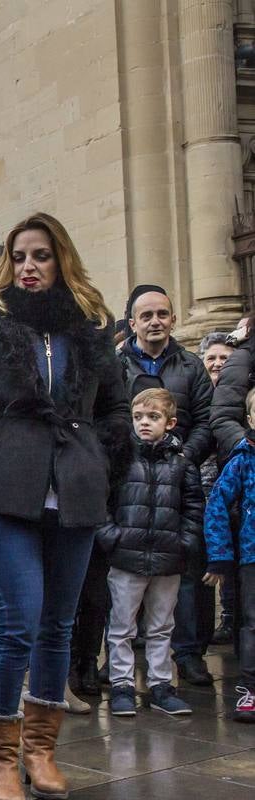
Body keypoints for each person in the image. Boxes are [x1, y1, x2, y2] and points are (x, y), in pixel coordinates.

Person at [0, 212, 129, 800]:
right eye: (19, 256)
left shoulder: (89, 325)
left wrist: (103, 460)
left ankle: (41, 751)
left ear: (60, 257)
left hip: (73, 488)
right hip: (4, 488)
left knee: (59, 626)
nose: (29, 266)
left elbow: (115, 410)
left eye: (40, 255)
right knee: (17, 620)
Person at [117, 285, 216, 689]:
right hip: (132, 479)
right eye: (147, 316)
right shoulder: (115, 364)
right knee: (126, 568)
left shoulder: (190, 366)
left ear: (173, 319)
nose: (155, 321)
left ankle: (189, 654)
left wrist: (184, 458)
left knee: (185, 567)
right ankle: (121, 658)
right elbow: (108, 415)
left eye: (162, 314)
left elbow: (209, 419)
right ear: (133, 322)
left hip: (179, 478)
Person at [98, 389, 202, 718]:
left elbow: (194, 507)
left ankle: (160, 685)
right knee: (121, 627)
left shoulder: (183, 464)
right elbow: (104, 501)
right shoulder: (121, 459)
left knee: (160, 626)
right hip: (126, 557)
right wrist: (112, 537)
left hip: (168, 558)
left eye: (153, 417)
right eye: (139, 417)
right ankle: (122, 685)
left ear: (170, 423)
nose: (144, 423)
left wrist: (184, 541)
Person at [203, 386, 255, 724]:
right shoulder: (243, 458)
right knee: (252, 622)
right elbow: (217, 505)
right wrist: (220, 556)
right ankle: (251, 685)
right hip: (252, 556)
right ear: (250, 419)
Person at [199, 332, 239, 645]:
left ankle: (230, 615)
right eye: (211, 358)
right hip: (204, 485)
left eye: (224, 358)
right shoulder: (199, 394)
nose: (217, 363)